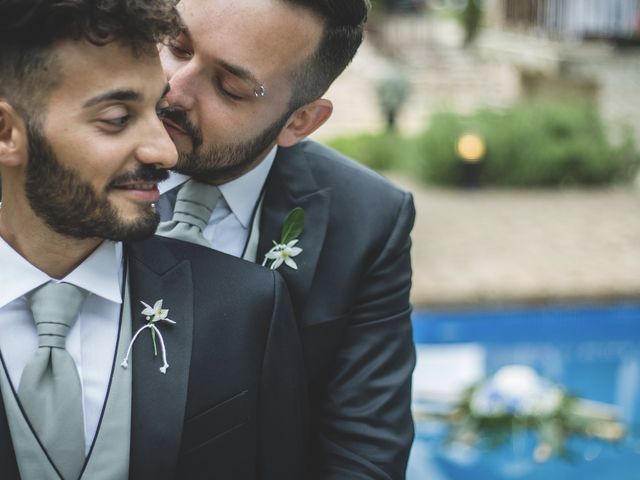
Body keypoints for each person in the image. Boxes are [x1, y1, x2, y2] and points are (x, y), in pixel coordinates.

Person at [0, 1, 305, 478]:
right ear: (6, 133)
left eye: (157, 108)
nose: (163, 150)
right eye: (118, 118)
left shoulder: (246, 306)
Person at [157, 0, 416, 477]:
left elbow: (364, 452)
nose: (174, 90)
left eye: (230, 86)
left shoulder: (367, 221)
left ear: (300, 121)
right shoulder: (57, 156)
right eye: (176, 46)